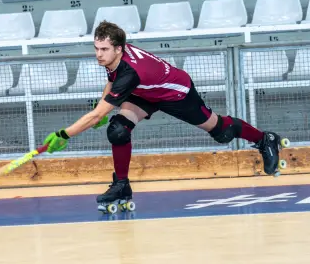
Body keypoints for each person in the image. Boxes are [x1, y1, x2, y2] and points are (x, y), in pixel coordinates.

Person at [43, 21, 287, 206]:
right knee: (118, 130)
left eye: (104, 49)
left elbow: (99, 111)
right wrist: (102, 109)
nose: (98, 54)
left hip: (176, 93)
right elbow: (111, 83)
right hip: (144, 93)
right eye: (96, 48)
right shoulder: (113, 60)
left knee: (222, 133)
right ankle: (122, 186)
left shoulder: (130, 71)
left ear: (119, 49)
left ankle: (265, 139)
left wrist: (64, 134)